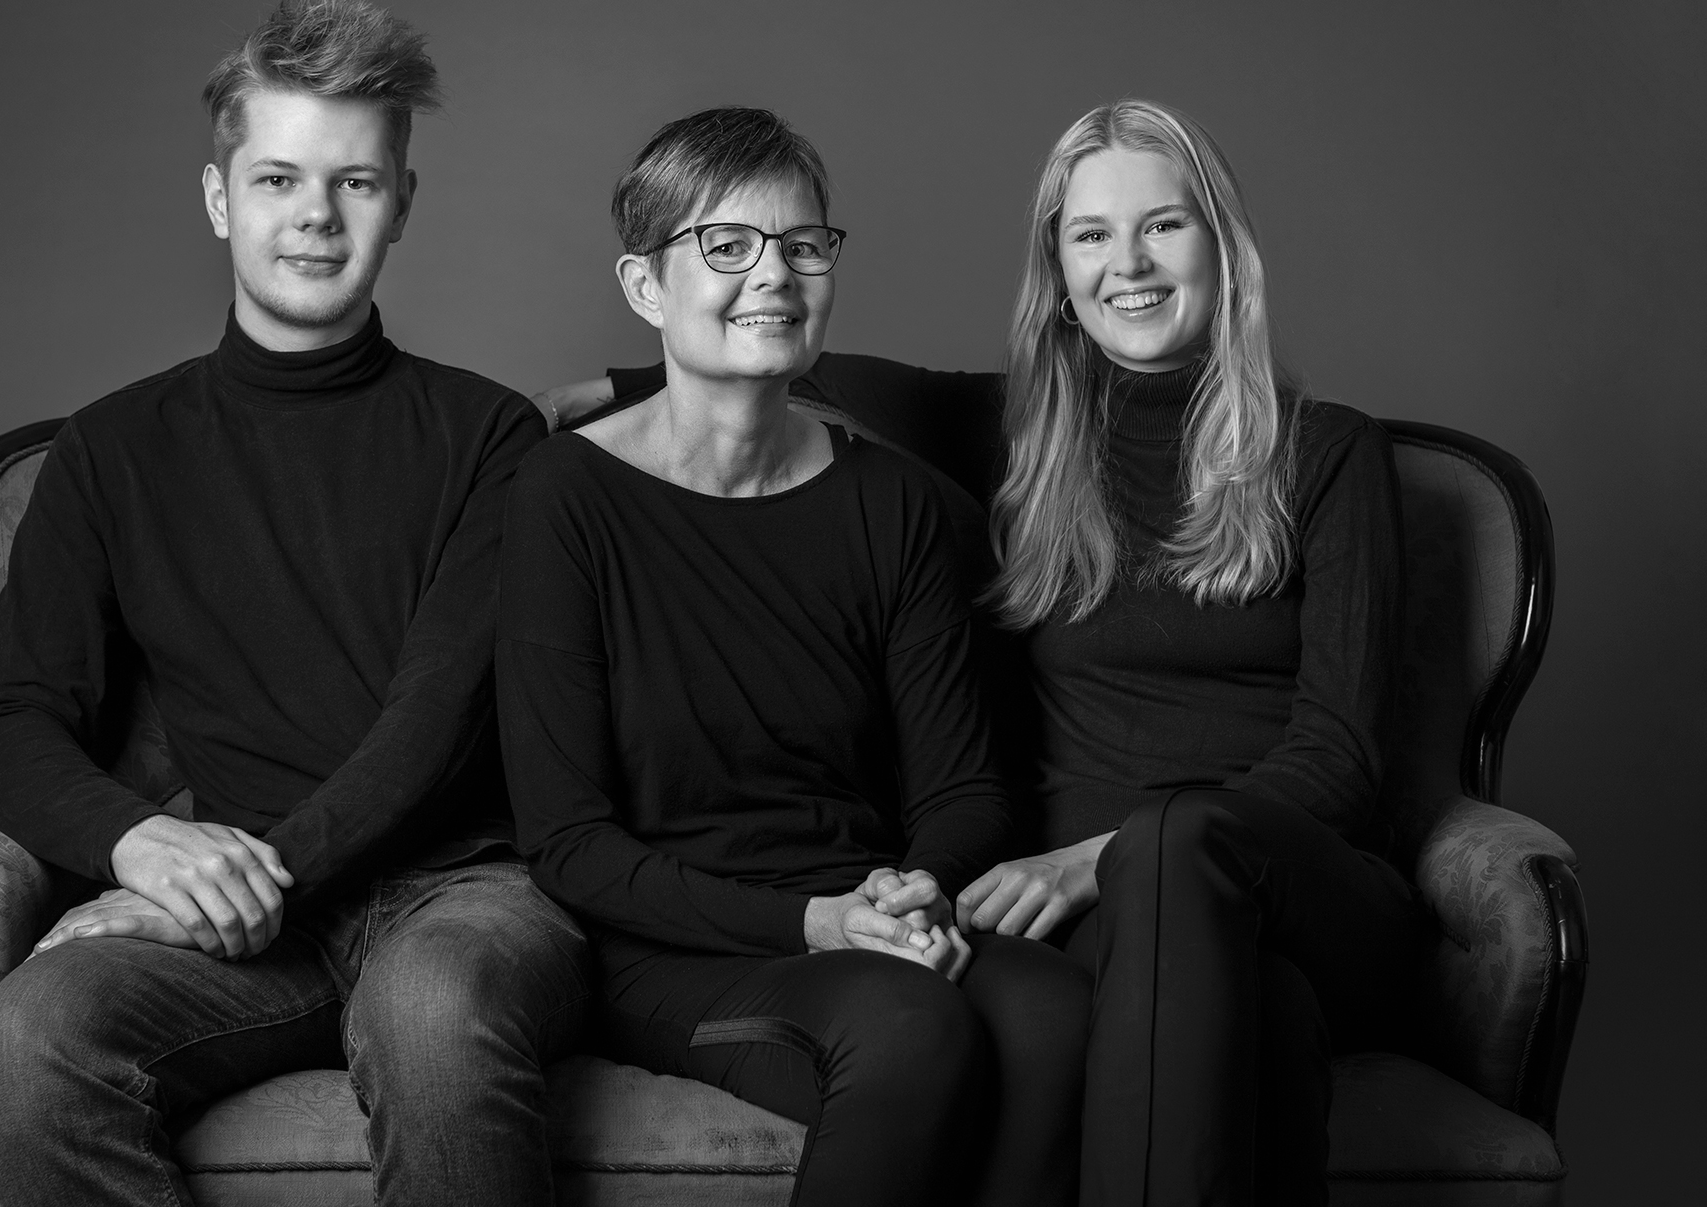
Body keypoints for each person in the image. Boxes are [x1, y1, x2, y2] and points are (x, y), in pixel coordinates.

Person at [545, 99, 1422, 1206]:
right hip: (1110, 919)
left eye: (1165, 225)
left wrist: (1102, 856)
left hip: (1294, 877)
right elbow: (793, 366)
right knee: (1262, 1016)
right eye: (1092, 235)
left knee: (1182, 841)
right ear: (1059, 273)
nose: (1129, 264)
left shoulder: (1330, 455)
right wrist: (613, 392)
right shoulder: (1025, 439)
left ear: (1224, 248)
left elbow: (1339, 762)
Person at [0, 0, 590, 1207]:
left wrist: (243, 883)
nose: (315, 214)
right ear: (219, 198)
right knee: (29, 1037)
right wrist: (143, 845)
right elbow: (9, 717)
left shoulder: (491, 436)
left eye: (355, 181)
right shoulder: (112, 449)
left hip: (469, 893)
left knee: (430, 1006)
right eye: (278, 178)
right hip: (253, 923)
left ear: (403, 202)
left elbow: (433, 724)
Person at [497, 107, 1093, 1207]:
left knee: (1055, 1011)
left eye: (803, 244)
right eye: (726, 245)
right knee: (908, 1023)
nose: (772, 274)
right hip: (674, 949)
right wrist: (818, 926)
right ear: (645, 287)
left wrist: (920, 890)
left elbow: (963, 787)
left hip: (872, 910)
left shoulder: (898, 504)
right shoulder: (563, 498)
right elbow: (570, 844)